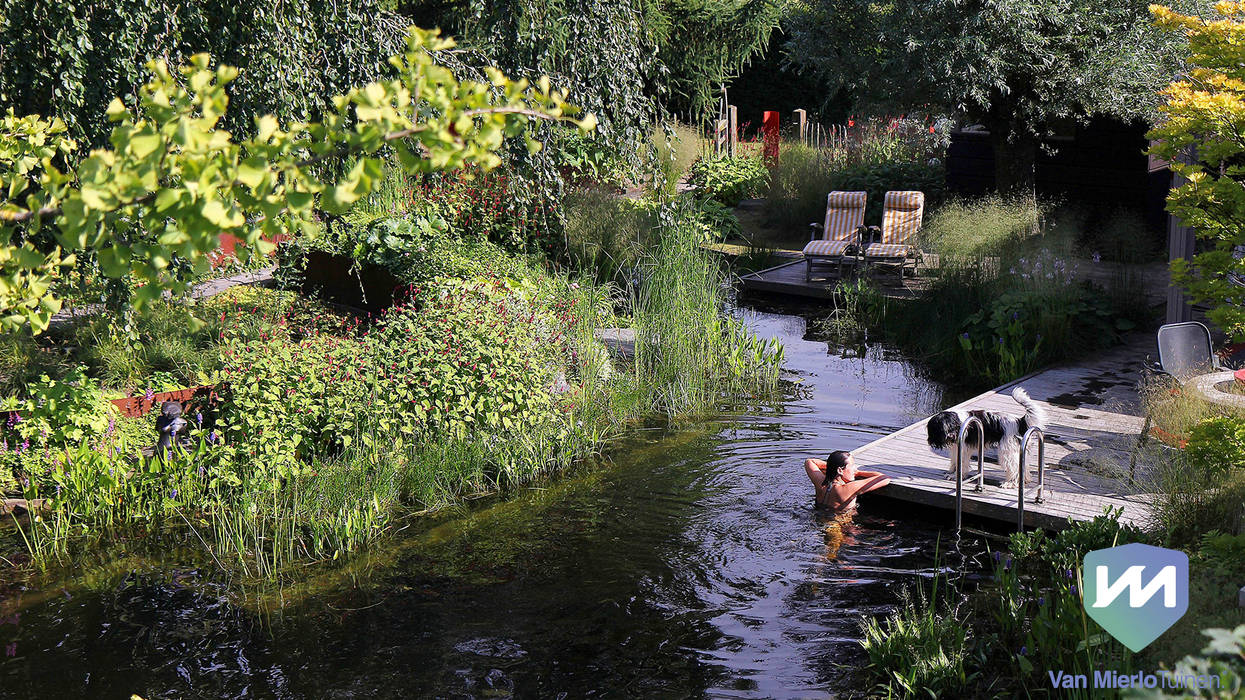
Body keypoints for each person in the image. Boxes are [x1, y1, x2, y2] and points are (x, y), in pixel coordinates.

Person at [804, 450, 890, 512]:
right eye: (852, 466)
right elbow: (884, 478)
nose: (855, 469)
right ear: (840, 470)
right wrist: (859, 473)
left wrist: (832, 467)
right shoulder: (848, 488)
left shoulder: (820, 482)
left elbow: (810, 461)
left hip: (819, 516)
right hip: (839, 528)